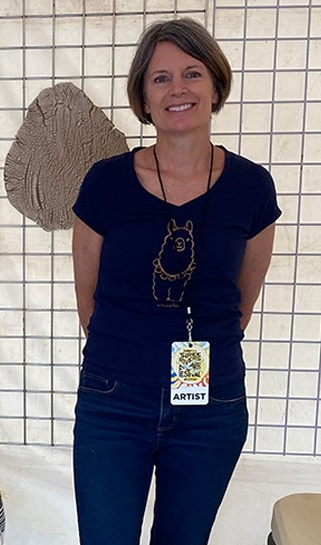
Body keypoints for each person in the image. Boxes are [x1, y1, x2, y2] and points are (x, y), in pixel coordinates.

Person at [70, 17, 280, 545]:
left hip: (210, 409)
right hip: (113, 401)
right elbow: (88, 302)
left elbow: (240, 302)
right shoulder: (105, 183)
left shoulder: (252, 188)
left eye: (191, 73)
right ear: (143, 95)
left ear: (215, 85)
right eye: (160, 78)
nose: (178, 89)